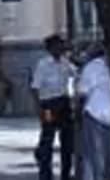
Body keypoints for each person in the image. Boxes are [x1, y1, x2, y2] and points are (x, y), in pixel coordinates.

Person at [31, 34, 76, 180]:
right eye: (58, 46)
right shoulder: (43, 65)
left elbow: (76, 73)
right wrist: (39, 109)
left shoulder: (65, 62)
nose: (60, 49)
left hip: (63, 102)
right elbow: (35, 87)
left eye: (62, 46)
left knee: (68, 139)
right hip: (48, 105)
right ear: (50, 48)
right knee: (48, 137)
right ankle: (45, 173)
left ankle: (66, 173)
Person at [77, 42, 110, 180]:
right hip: (95, 114)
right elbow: (82, 92)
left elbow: (81, 91)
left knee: (103, 157)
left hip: (108, 116)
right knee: (95, 157)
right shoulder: (94, 67)